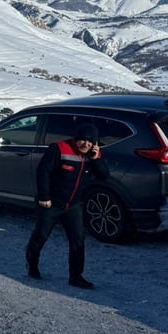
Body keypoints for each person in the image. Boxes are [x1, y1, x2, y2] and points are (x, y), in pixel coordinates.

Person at [26, 122, 109, 289]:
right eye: (82, 140)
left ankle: (76, 276)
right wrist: (44, 196)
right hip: (51, 203)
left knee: (78, 241)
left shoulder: (92, 155)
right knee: (41, 236)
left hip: (74, 205)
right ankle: (32, 264)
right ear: (76, 139)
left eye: (90, 141)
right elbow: (43, 172)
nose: (85, 144)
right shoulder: (59, 149)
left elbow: (104, 176)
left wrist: (95, 160)